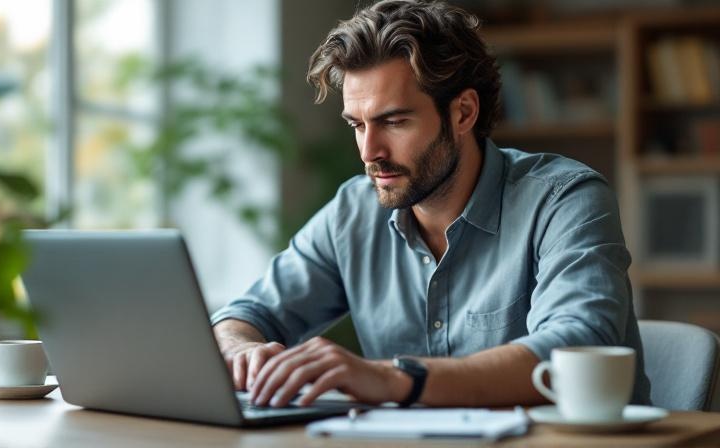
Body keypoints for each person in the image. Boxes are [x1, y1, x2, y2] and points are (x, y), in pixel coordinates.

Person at [211, 0, 651, 409]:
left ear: (463, 113)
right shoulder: (353, 213)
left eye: (394, 121)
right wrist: (242, 350)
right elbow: (245, 316)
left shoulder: (564, 200)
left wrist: (395, 379)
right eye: (358, 125)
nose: (369, 151)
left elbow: (575, 348)